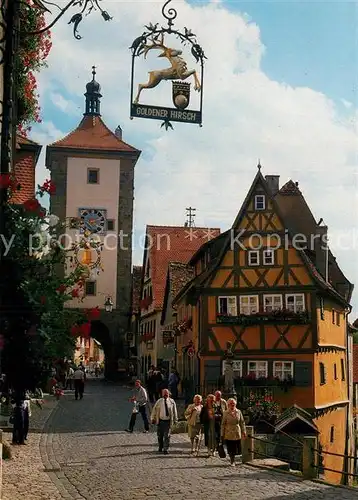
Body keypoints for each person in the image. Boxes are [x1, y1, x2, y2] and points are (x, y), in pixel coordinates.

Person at [151, 388, 178, 454]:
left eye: (167, 393)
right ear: (162, 394)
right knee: (160, 436)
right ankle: (160, 446)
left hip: (168, 421)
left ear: (169, 394)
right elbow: (154, 410)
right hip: (160, 421)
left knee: (167, 436)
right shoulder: (159, 401)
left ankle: (166, 449)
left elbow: (175, 411)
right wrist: (153, 418)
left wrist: (175, 420)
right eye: (164, 393)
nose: (165, 395)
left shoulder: (172, 401)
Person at [220, 397, 246, 467]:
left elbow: (242, 422)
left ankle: (235, 459)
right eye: (231, 403)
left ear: (235, 404)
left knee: (237, 447)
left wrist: (244, 431)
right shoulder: (226, 413)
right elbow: (223, 424)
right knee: (231, 447)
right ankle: (232, 461)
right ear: (228, 404)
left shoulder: (239, 411)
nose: (232, 405)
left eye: (233, 403)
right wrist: (222, 434)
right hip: (229, 432)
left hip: (237, 431)